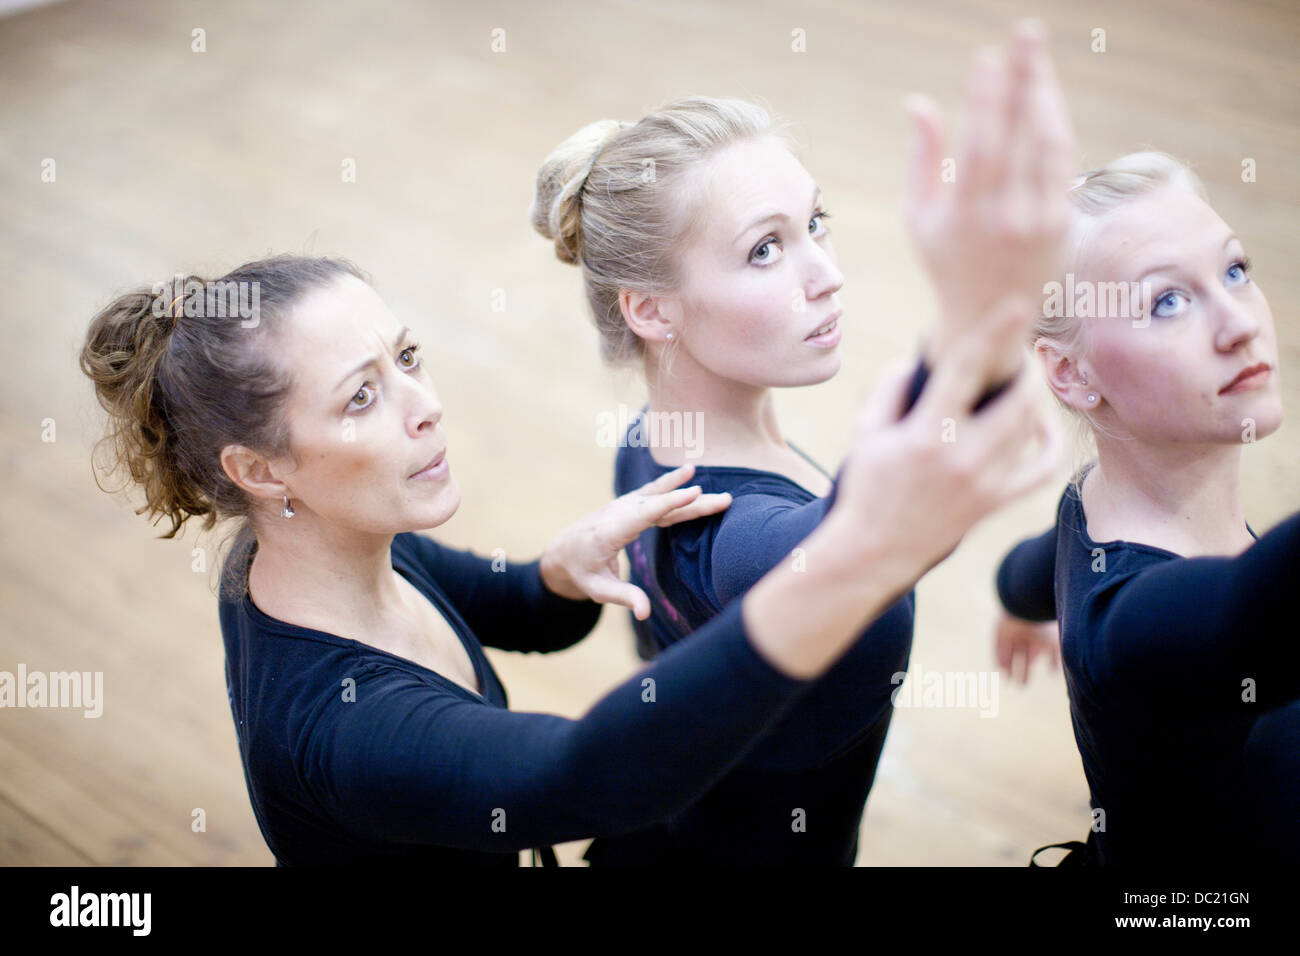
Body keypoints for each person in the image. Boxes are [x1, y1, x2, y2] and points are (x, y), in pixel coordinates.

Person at [78, 253, 1059, 866]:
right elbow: (581, 778)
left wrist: (559, 565)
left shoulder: (318, 544)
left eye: (407, 357)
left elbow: (519, 608)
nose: (426, 404)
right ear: (257, 467)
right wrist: (845, 566)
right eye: (360, 398)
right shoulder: (342, 726)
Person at [531, 19, 1076, 864]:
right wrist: (979, 310)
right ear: (651, 308)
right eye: (764, 249)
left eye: (815, 223)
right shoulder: (744, 539)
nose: (825, 272)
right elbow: (864, 522)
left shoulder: (648, 445)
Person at [993, 151, 1299, 866]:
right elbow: (1251, 609)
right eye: (1168, 301)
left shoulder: (1087, 505)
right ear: (1071, 373)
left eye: (1234, 271)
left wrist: (1018, 604)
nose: (1239, 324)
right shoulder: (1131, 627)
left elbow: (1029, 568)